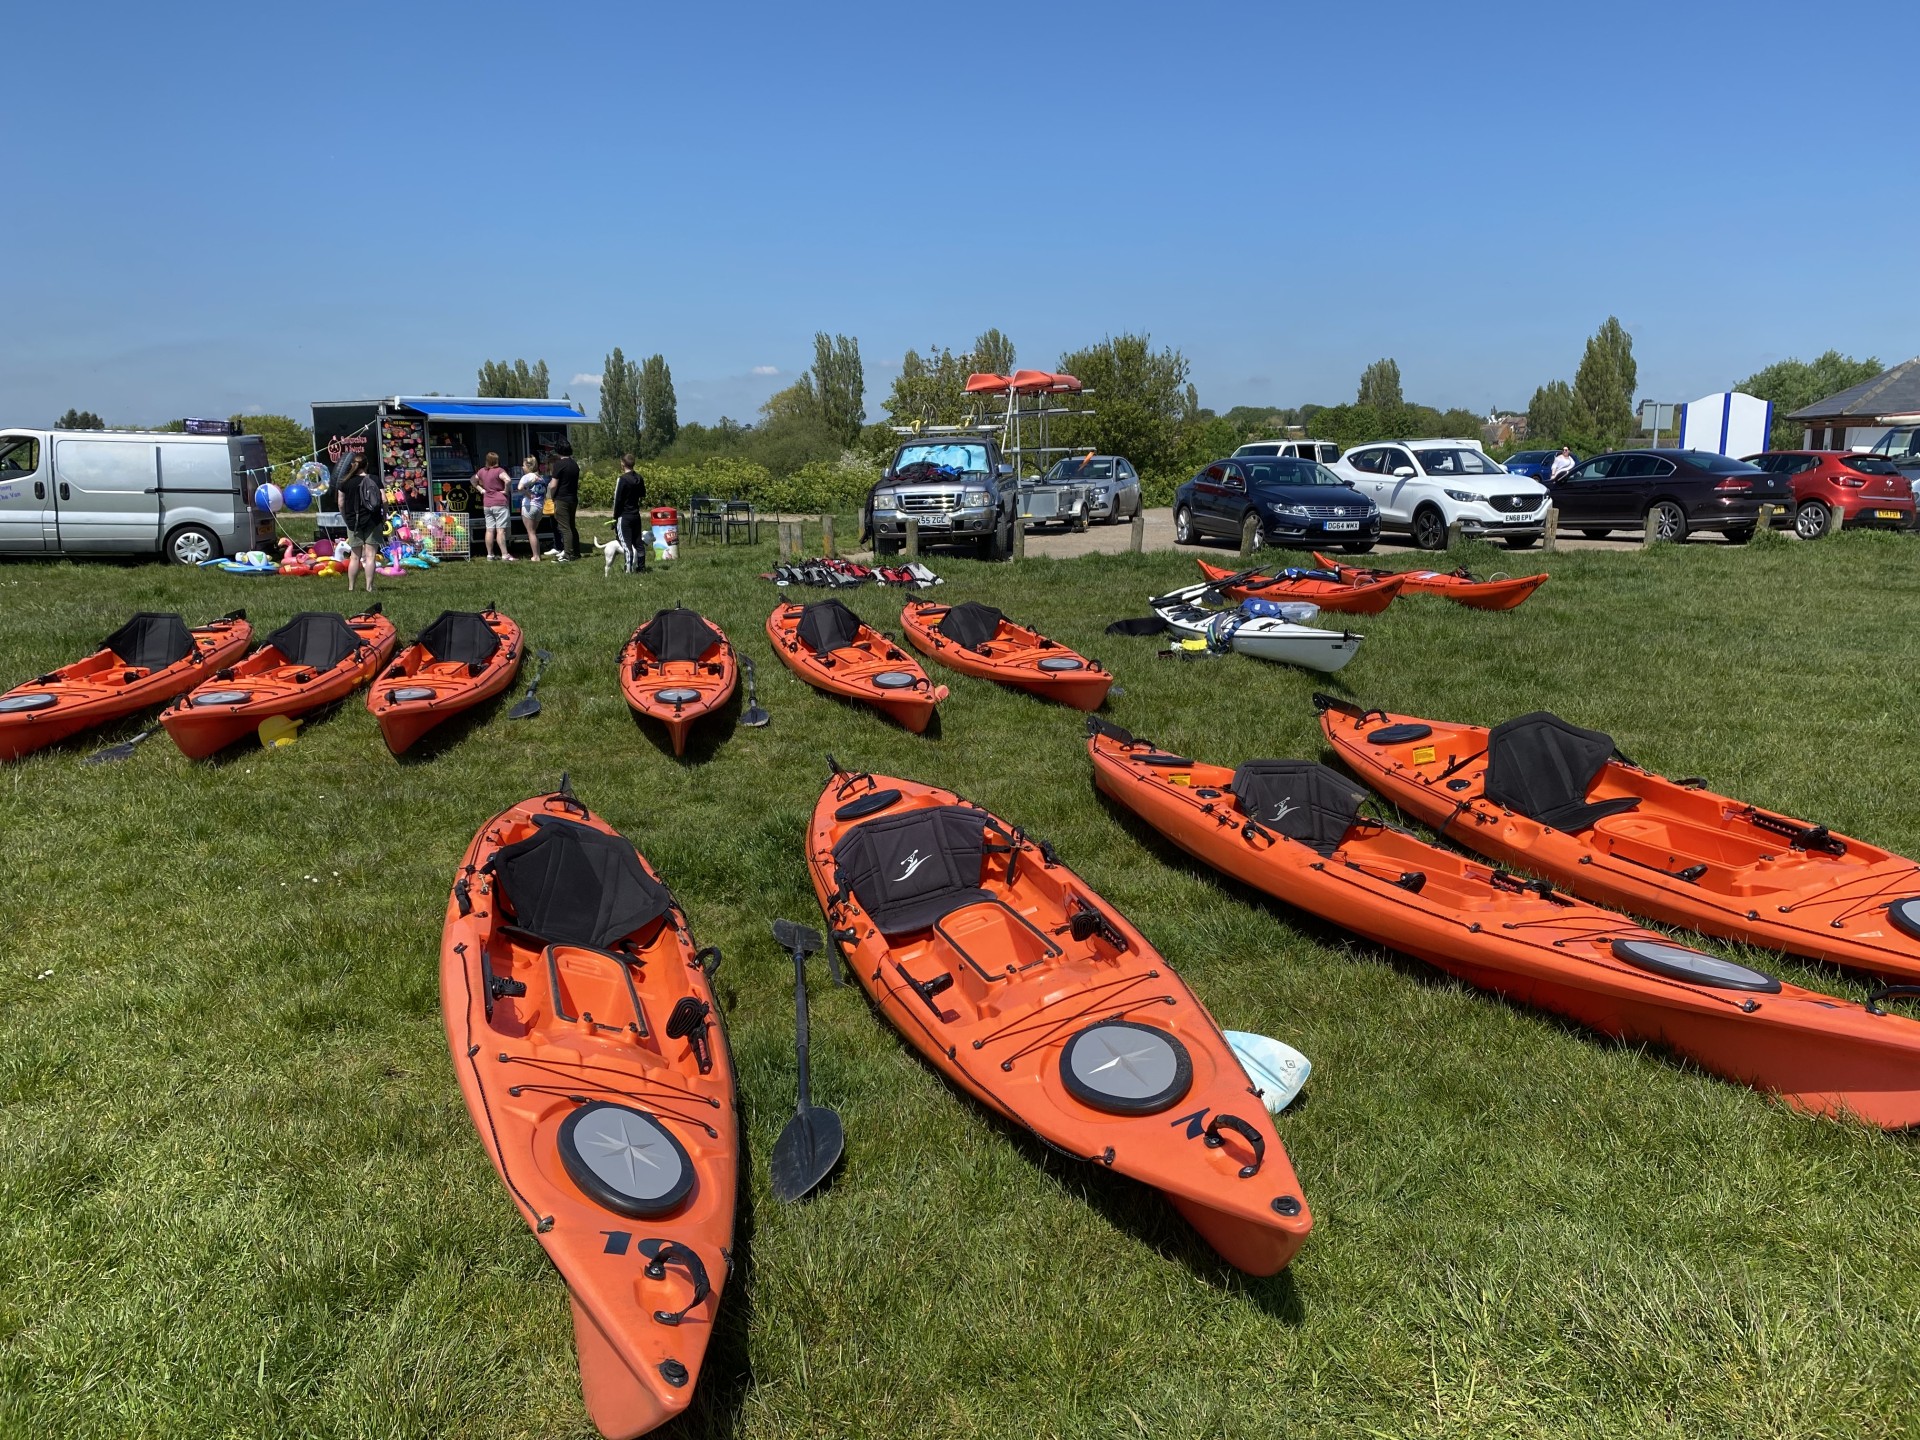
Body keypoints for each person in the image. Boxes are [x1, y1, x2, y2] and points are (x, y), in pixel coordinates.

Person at [338, 455, 384, 593]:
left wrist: (346, 518)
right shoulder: (374, 479)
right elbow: (385, 499)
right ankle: (369, 587)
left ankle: (351, 587)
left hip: (353, 522)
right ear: (366, 464)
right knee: (370, 556)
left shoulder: (345, 482)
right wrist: (385, 515)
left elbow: (340, 503)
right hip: (373, 520)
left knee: (354, 556)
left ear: (352, 465)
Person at [611, 455, 648, 573]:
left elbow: (617, 500)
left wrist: (614, 518)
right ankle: (641, 568)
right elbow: (642, 494)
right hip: (636, 515)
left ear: (623, 464)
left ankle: (628, 570)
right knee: (638, 543)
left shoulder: (622, 479)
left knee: (626, 545)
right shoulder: (639, 478)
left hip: (624, 515)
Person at [474, 451, 513, 561]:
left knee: (489, 530)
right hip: (500, 503)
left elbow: (473, 480)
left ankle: (490, 555)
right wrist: (505, 490)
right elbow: (508, 480)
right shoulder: (499, 471)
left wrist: (481, 490)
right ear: (497, 460)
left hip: (487, 504)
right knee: (500, 530)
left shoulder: (482, 471)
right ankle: (505, 554)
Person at [548, 442, 580, 562]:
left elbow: (553, 485)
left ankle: (567, 554)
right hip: (573, 498)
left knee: (564, 527)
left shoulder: (559, 464)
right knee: (572, 526)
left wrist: (552, 496)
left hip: (562, 498)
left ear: (558, 451)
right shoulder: (574, 464)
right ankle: (576, 551)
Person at [515, 456, 546, 561]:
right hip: (539, 507)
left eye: (523, 465)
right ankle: (537, 554)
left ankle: (536, 556)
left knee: (531, 532)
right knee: (534, 532)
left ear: (528, 466)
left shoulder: (526, 477)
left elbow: (519, 488)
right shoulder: (541, 478)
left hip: (529, 506)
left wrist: (526, 493)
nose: (522, 467)